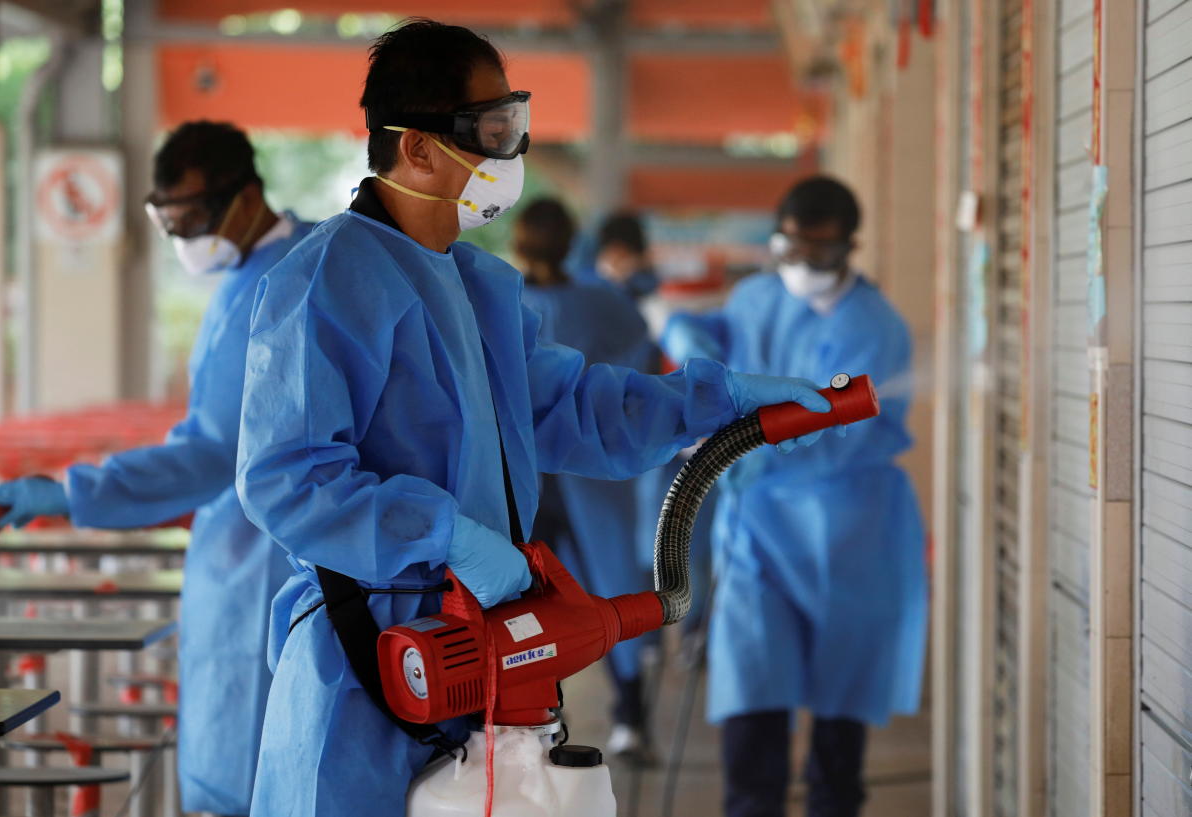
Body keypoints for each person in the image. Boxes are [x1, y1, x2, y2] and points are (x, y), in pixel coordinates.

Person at [233, 19, 836, 817]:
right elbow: (285, 480)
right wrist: (444, 533)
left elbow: (576, 408)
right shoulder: (325, 283)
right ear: (415, 147)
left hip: (485, 657)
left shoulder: (480, 286)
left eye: (511, 122)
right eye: (491, 130)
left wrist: (717, 401)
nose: (509, 153)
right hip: (370, 663)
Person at [0, 121, 314, 816]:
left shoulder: (280, 283)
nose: (185, 237)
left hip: (265, 562)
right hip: (253, 551)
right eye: (170, 220)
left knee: (249, 771)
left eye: (193, 217)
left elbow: (210, 451)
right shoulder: (257, 270)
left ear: (246, 197)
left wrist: (73, 491)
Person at [663, 176, 927, 817]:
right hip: (757, 529)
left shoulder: (876, 326)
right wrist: (685, 334)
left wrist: (747, 449)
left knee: (839, 711)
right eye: (792, 247)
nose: (804, 265)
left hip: (848, 530)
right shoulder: (756, 296)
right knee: (753, 690)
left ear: (850, 246)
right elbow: (720, 338)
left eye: (822, 251)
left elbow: (840, 430)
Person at [512, 197, 663, 761]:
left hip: (542, 481)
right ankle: (629, 715)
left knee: (532, 604)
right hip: (576, 473)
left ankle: (549, 718)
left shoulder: (498, 299)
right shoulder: (599, 303)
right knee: (607, 593)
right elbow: (642, 367)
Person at [590, 210, 659, 299]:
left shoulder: (642, 272)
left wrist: (628, 272)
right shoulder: (591, 273)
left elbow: (651, 288)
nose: (618, 256)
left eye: (625, 253)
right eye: (614, 249)